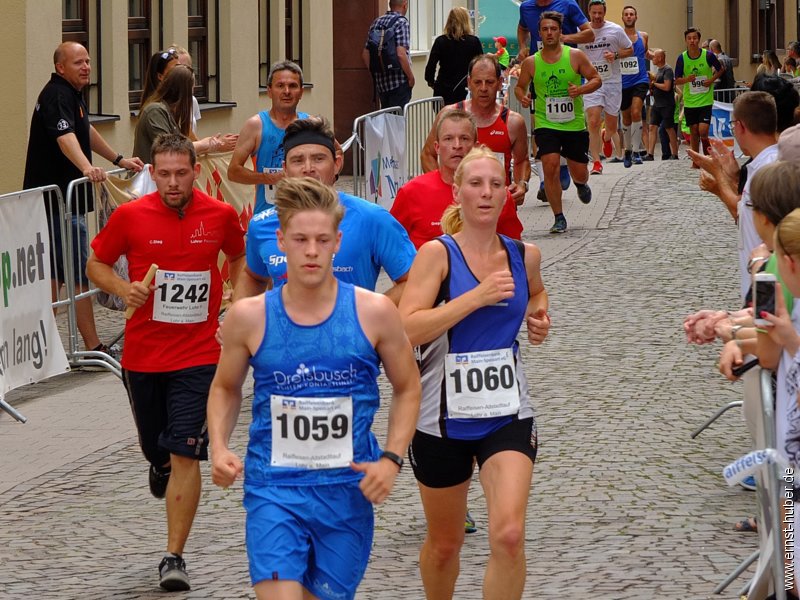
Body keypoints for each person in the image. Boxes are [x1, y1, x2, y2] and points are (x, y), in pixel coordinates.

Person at [207, 176, 420, 600]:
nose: (311, 251)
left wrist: (392, 460)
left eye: (322, 240)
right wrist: (218, 446)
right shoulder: (249, 317)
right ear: (280, 241)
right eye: (300, 239)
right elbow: (226, 388)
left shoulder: (374, 312)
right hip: (274, 488)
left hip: (347, 490)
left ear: (338, 242)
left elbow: (408, 388)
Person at [85, 133, 246, 591]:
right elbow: (96, 263)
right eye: (164, 174)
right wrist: (122, 289)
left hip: (198, 353)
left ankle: (173, 556)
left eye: (181, 173)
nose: (173, 182)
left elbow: (238, 255)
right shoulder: (131, 216)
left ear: (196, 171)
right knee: (157, 449)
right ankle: (157, 463)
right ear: (151, 174)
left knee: (185, 453)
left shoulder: (219, 215)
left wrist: (235, 293)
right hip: (143, 355)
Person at [398, 147, 550, 600]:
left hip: (507, 411)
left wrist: (539, 317)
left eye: (496, 184)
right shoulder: (436, 255)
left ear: (509, 192)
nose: (486, 193)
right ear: (457, 191)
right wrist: (475, 297)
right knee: (446, 545)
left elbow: (537, 294)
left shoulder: (525, 254)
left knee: (507, 535)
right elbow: (407, 326)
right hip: (441, 418)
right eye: (476, 184)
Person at [23, 42, 144, 354]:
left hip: (64, 201)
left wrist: (118, 159)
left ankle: (45, 351)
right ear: (60, 67)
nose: (86, 67)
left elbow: (83, 130)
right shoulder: (56, 95)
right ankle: (90, 346)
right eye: (78, 62)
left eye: (88, 61)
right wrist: (87, 167)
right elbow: (64, 138)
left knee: (58, 275)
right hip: (58, 202)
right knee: (74, 274)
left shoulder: (72, 94)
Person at [233, 117, 416, 306]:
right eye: (297, 160)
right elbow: (253, 276)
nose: (308, 169)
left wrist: (367, 316)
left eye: (318, 159)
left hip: (348, 335)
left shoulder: (372, 218)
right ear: (285, 169)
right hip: (286, 335)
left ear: (336, 164)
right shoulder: (262, 224)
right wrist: (238, 316)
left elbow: (413, 281)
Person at [515, 11, 601, 234]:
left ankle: (581, 184)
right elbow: (519, 86)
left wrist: (580, 89)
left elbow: (596, 79)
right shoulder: (531, 62)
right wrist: (522, 97)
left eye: (553, 29)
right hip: (546, 123)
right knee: (550, 165)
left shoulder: (574, 56)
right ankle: (559, 217)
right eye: (545, 29)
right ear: (539, 33)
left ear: (560, 32)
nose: (549, 33)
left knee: (579, 171)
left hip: (573, 124)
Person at [688, 91, 779, 301]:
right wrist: (732, 177)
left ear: (741, 126)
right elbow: (746, 214)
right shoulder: (760, 165)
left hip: (769, 282)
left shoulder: (769, 168)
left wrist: (718, 174)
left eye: (733, 126)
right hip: (760, 282)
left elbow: (742, 211)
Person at [391, 109, 523, 248]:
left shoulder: (498, 195)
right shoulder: (411, 192)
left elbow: (514, 251)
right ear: (437, 147)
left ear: (475, 146)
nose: (457, 145)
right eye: (448, 139)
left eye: (464, 138)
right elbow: (389, 244)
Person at [421, 55, 531, 206]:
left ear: (500, 83)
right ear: (469, 83)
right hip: (456, 208)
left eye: (490, 82)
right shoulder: (449, 114)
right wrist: (442, 189)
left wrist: (521, 184)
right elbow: (428, 154)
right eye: (478, 82)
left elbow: (522, 160)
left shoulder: (513, 122)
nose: (483, 88)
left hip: (498, 209)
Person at [227, 61, 309, 215]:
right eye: (280, 86)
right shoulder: (256, 125)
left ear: (301, 92)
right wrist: (269, 178)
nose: (287, 91)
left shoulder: (309, 124)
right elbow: (233, 172)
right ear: (269, 91)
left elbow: (337, 153)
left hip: (304, 215)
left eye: (293, 86)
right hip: (267, 217)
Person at [133, 65, 236, 164]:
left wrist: (212, 145)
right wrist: (206, 144)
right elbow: (170, 150)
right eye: (191, 90)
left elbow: (180, 148)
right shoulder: (155, 111)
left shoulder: (168, 112)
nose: (192, 96)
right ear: (183, 91)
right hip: (149, 179)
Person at [579, 0, 634, 175]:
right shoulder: (582, 32)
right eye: (593, 13)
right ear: (589, 12)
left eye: (599, 13)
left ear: (604, 12)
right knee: (593, 120)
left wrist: (616, 55)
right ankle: (596, 162)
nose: (596, 16)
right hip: (591, 81)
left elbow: (630, 49)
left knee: (611, 125)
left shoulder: (615, 30)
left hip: (612, 81)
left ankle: (607, 137)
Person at [674, 27, 725, 158]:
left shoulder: (708, 55)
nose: (692, 41)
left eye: (695, 38)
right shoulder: (682, 58)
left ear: (699, 40)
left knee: (703, 131)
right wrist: (687, 79)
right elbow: (677, 80)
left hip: (705, 100)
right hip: (690, 101)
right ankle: (696, 160)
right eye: (689, 38)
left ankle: (708, 157)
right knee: (694, 132)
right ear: (685, 40)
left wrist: (711, 80)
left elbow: (721, 69)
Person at [424, 7, 483, 105]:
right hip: (464, 91)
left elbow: (430, 67)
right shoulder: (474, 42)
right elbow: (481, 67)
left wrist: (432, 83)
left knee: (443, 119)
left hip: (443, 92)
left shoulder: (440, 41)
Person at [362, 0, 415, 109]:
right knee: (398, 122)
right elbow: (401, 53)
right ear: (405, 5)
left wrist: (377, 70)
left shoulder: (376, 22)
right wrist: (411, 78)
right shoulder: (402, 22)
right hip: (399, 82)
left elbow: (365, 53)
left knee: (387, 120)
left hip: (381, 84)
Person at [620, 5, 651, 167]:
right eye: (626, 14)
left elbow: (645, 53)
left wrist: (655, 56)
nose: (629, 16)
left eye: (632, 14)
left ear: (636, 17)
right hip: (623, 81)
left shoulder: (643, 36)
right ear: (623, 18)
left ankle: (637, 151)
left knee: (636, 112)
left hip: (640, 79)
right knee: (626, 117)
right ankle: (627, 149)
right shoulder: (618, 37)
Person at [645, 49, 679, 161]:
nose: (653, 59)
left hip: (667, 104)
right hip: (657, 103)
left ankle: (674, 153)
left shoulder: (667, 70)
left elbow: (667, 87)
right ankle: (650, 154)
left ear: (660, 58)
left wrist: (654, 84)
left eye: (654, 57)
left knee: (669, 128)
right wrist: (652, 85)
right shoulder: (659, 70)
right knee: (652, 126)